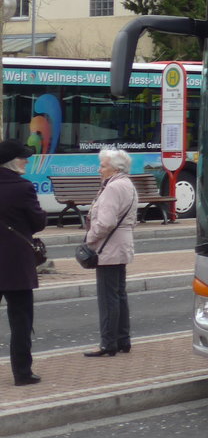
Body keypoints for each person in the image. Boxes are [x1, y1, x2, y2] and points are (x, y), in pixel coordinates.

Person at [82, 148, 138, 358]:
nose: (100, 169)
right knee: (119, 295)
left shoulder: (113, 188)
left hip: (109, 247)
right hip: (121, 245)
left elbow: (105, 222)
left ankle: (108, 343)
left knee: (108, 298)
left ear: (115, 168)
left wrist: (90, 238)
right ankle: (123, 339)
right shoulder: (128, 185)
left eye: (103, 166)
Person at [0, 139, 47, 386]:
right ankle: (22, 372)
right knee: (20, 321)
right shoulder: (23, 187)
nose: (27, 161)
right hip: (16, 265)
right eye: (23, 157)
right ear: (12, 161)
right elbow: (38, 222)